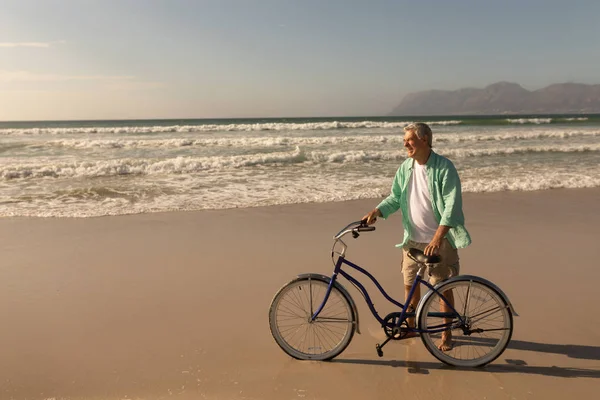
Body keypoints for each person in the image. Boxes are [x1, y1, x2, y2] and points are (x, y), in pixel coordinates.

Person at [362, 122, 471, 351]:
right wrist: (377, 211)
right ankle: (411, 326)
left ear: (424, 140)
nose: (405, 144)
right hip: (411, 239)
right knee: (409, 285)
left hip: (439, 242)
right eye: (404, 141)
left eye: (409, 140)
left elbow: (452, 206)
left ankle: (446, 334)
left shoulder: (444, 168)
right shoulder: (406, 168)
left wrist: (438, 238)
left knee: (442, 288)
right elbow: (395, 197)